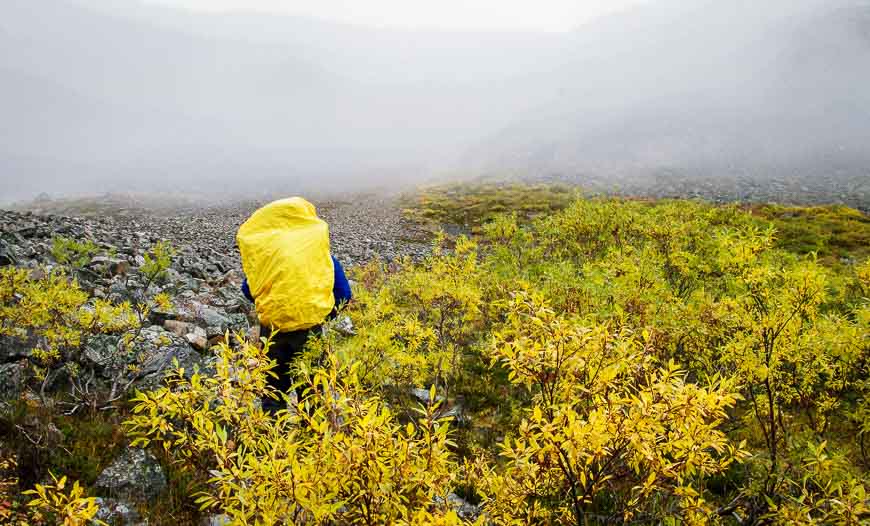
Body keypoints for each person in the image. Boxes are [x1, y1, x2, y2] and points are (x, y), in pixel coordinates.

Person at [236, 197, 352, 414]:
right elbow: (344, 294)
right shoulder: (323, 258)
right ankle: (312, 442)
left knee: (273, 392)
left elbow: (248, 289)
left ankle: (271, 440)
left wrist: (276, 306)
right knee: (312, 391)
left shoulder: (268, 259)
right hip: (310, 331)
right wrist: (322, 316)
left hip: (272, 332)